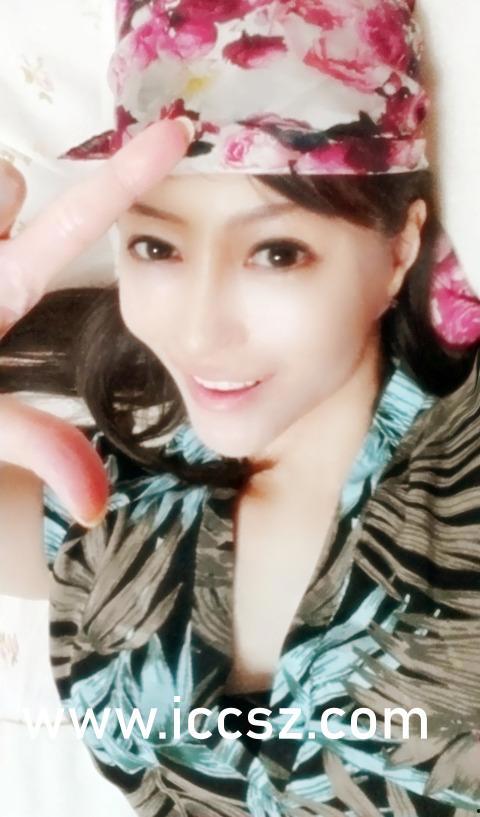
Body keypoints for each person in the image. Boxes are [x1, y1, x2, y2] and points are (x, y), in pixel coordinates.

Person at [1, 1, 480, 815]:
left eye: (277, 252)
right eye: (157, 246)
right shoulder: (105, 507)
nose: (199, 330)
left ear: (400, 249)